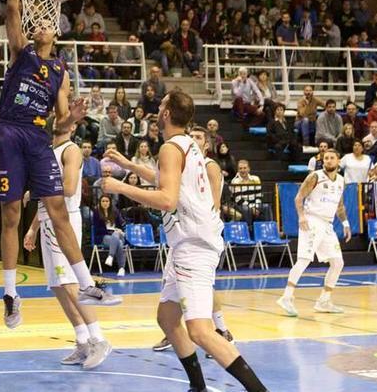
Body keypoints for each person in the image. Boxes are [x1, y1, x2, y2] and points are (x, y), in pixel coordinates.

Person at [101, 89, 267, 392]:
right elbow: (166, 180)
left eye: (161, 103)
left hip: (194, 245)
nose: (158, 107)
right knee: (167, 317)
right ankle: (198, 387)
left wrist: (119, 188)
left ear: (165, 114)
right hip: (187, 243)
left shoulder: (169, 147)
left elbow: (166, 198)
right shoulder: (186, 143)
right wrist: (130, 165)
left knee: (201, 331)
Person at [0, 0, 120, 329]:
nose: (40, 26)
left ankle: (88, 285)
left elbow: (60, 118)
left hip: (37, 136)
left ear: (57, 33)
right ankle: (9, 293)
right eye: (38, 24)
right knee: (12, 215)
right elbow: (14, 10)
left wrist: (73, 116)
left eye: (47, 23)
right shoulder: (22, 52)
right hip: (8, 131)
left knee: (58, 211)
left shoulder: (60, 72)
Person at [23, 125, 112, 369]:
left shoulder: (71, 150)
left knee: (72, 285)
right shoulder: (48, 151)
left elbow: (69, 188)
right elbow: (48, 201)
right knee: (59, 287)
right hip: (48, 220)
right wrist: (33, 227)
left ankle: (99, 339)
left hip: (66, 220)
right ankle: (83, 341)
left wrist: (35, 190)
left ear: (73, 125)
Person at [150, 125, 237, 353]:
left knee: (203, 290)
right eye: (192, 136)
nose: (193, 139)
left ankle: (221, 330)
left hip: (200, 235)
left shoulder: (209, 166)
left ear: (207, 144)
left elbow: (214, 204)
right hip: (182, 232)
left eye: (199, 137)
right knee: (172, 289)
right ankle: (172, 331)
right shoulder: (185, 162)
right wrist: (130, 166)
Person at [276, 149, 351, 317]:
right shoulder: (315, 176)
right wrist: (302, 216)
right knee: (304, 260)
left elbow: (339, 205)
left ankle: (324, 301)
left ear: (338, 161)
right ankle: (286, 297)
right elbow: (298, 198)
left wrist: (345, 223)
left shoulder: (340, 180)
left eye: (332, 158)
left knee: (338, 263)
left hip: (327, 224)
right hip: (312, 221)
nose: (329, 160)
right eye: (326, 158)